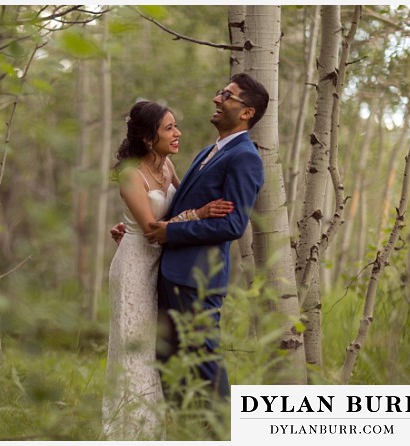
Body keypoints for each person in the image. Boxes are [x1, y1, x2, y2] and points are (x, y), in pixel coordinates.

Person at [126, 73, 268, 402]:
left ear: (247, 112)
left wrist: (171, 231)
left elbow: (233, 225)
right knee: (172, 367)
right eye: (221, 93)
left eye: (228, 96)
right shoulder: (209, 151)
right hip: (171, 272)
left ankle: (223, 433)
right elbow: (180, 204)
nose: (217, 99)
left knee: (204, 364)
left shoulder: (244, 157)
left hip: (197, 279)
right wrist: (137, 226)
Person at [103, 101, 234, 440]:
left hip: (162, 263)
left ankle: (161, 428)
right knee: (136, 348)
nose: (178, 134)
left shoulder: (168, 166)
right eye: (169, 128)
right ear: (149, 138)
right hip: (134, 265)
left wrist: (199, 211)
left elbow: (179, 206)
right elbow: (150, 227)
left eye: (176, 126)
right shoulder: (130, 173)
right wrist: (201, 214)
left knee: (157, 348)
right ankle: (131, 431)